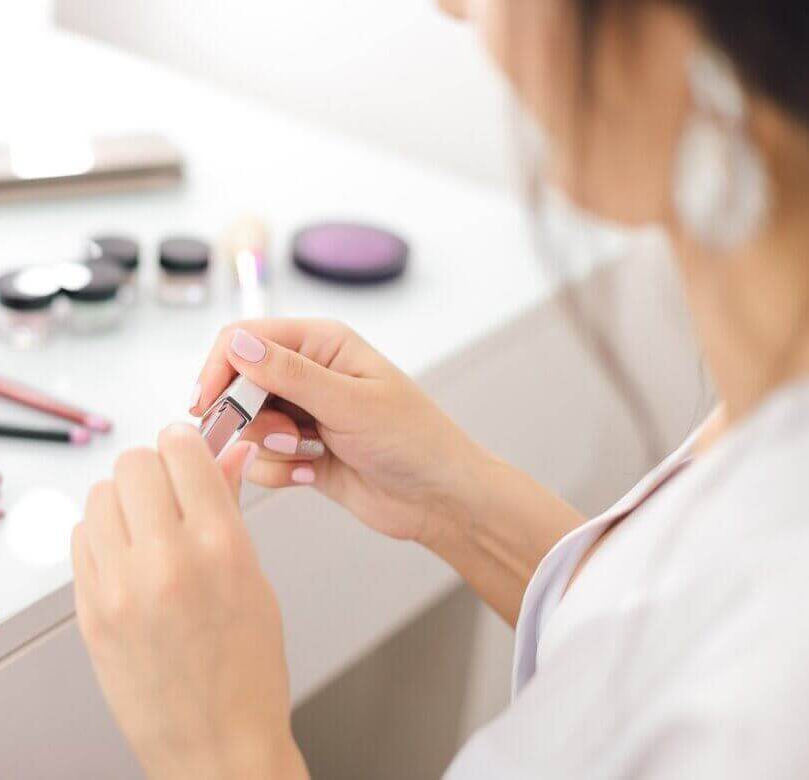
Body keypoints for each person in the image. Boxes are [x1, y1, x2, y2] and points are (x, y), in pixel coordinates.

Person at [69, 0, 809, 776]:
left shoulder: (766, 700)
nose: (451, 7)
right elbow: (660, 649)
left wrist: (219, 748)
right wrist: (457, 501)